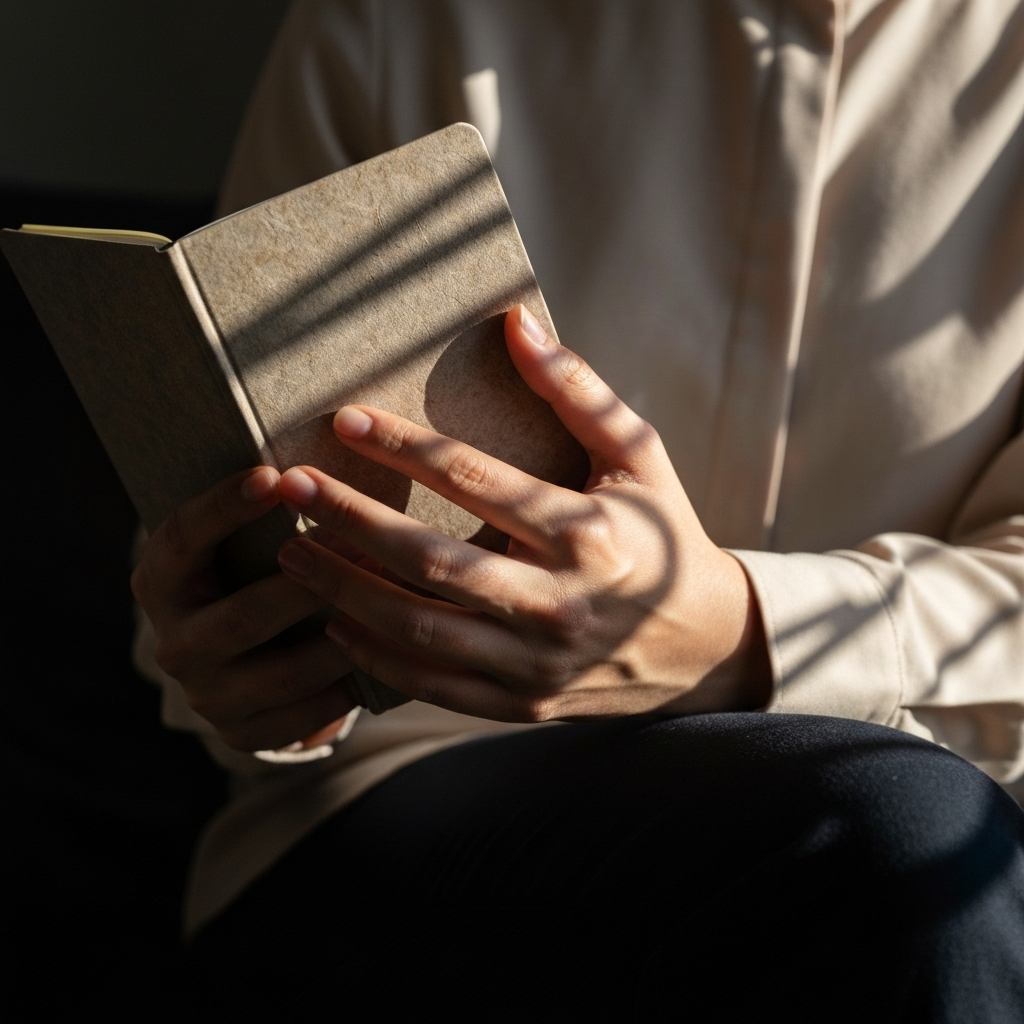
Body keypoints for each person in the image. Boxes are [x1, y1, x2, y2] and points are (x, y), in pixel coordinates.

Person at [130, 1, 1024, 1018]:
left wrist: (738, 632)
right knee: (899, 841)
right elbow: (201, 621)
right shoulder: (399, 26)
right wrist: (246, 660)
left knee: (914, 844)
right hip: (411, 814)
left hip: (928, 849)